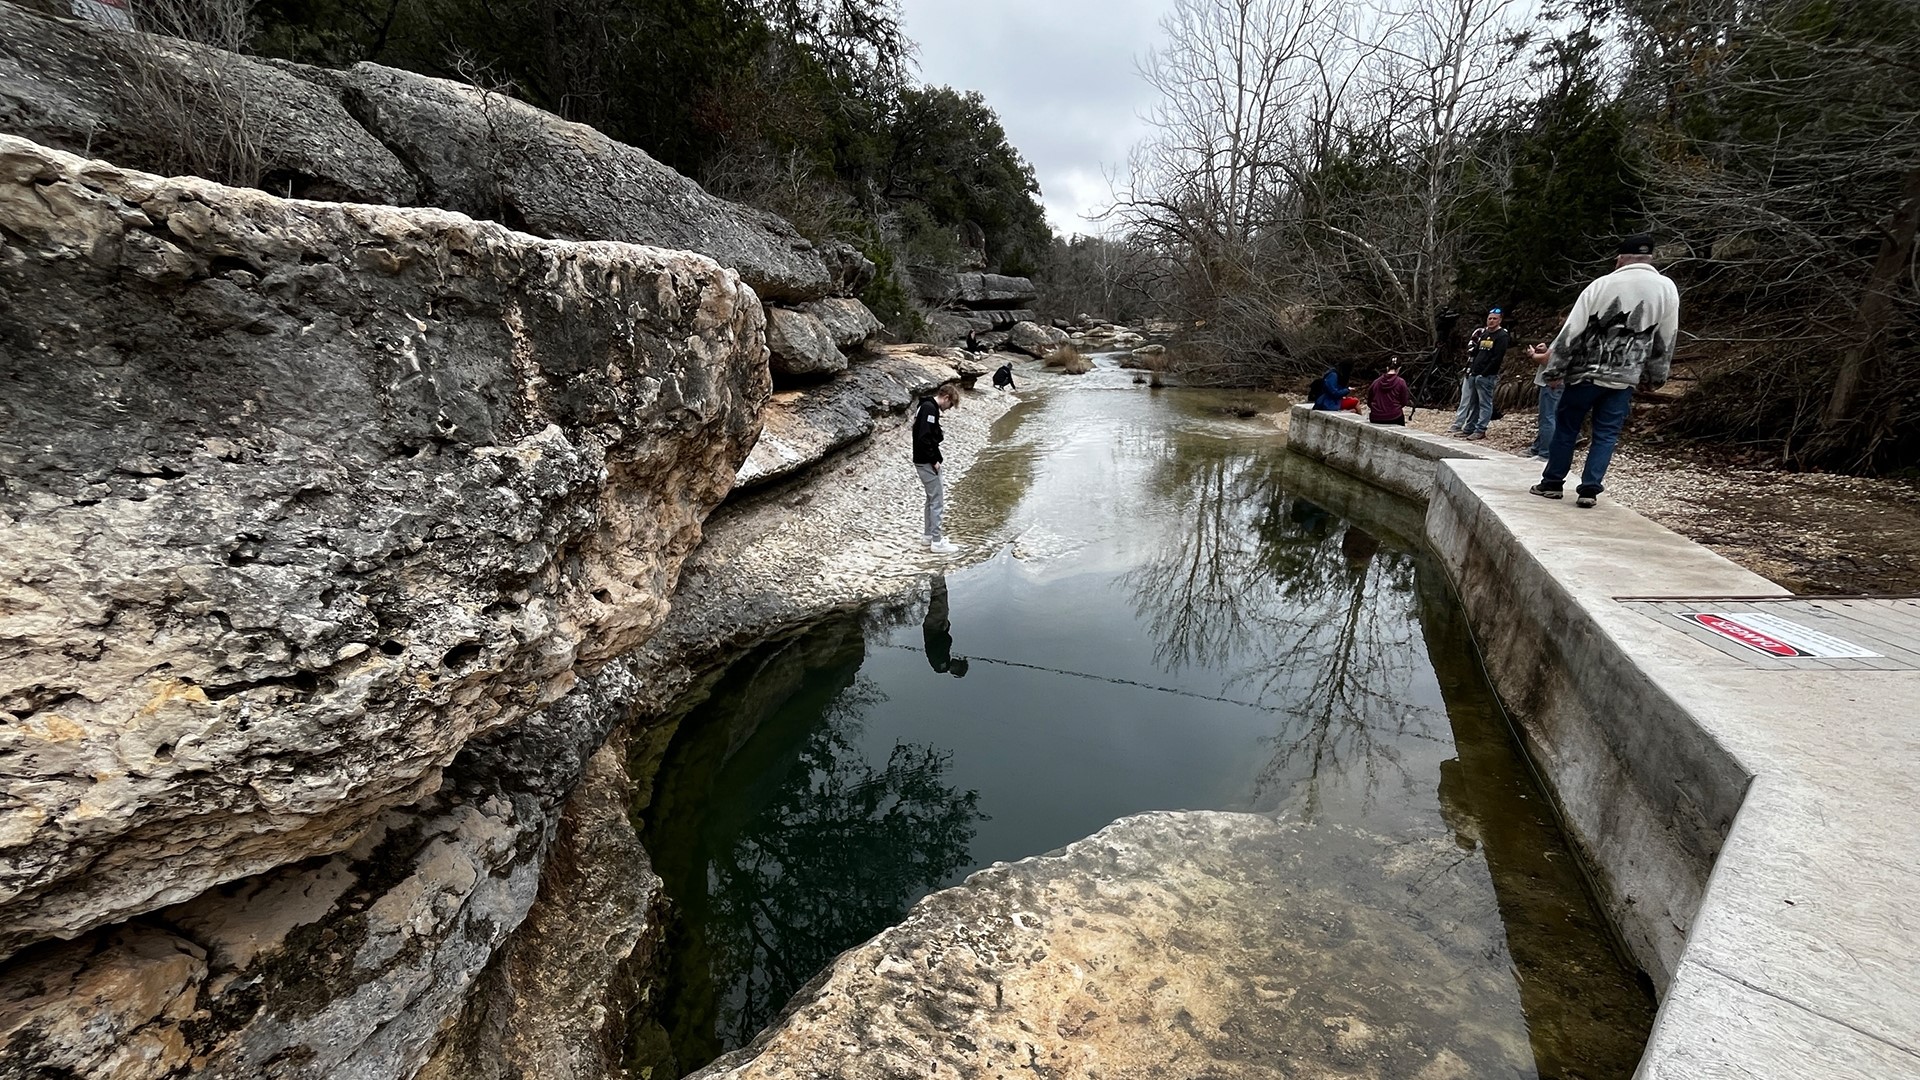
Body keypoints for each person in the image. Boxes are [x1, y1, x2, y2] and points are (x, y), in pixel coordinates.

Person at [1527, 233, 1680, 508]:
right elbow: (1666, 338)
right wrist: (1654, 378)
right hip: (1624, 378)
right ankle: (1589, 490)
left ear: (1620, 258)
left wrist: (1554, 371)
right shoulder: (1666, 288)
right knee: (1606, 434)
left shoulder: (1601, 285)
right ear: (1650, 258)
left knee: (1567, 428)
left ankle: (1552, 483)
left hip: (1586, 374)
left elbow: (1570, 332)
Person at [913, 382, 962, 553]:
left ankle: (928, 537)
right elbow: (924, 438)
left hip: (921, 460)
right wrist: (934, 460)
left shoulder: (926, 406)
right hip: (926, 461)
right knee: (937, 501)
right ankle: (937, 541)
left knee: (931, 499)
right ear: (946, 398)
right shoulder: (929, 409)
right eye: (950, 404)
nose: (948, 409)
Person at [1449, 308, 1509, 440]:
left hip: (1486, 376)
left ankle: (1481, 429)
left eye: (1494, 318)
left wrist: (1485, 373)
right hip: (1474, 373)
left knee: (1485, 403)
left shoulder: (1502, 336)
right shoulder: (1484, 333)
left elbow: (1497, 358)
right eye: (1490, 318)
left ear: (1500, 320)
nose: (1491, 321)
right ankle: (1469, 427)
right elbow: (1475, 351)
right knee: (1473, 403)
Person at [1529, 320, 1566, 459]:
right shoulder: (1576, 338)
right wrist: (1546, 349)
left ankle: (1545, 453)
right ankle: (1537, 448)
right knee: (1550, 417)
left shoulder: (1565, 337)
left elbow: (1546, 360)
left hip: (1551, 382)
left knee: (1548, 418)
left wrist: (1533, 354)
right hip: (1560, 382)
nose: (1560, 321)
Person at [921, 574, 968, 677]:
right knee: (941, 606)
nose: (958, 659)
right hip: (936, 628)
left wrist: (946, 637)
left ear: (956, 668)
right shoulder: (944, 663)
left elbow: (936, 646)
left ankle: (937, 576)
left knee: (940, 603)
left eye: (959, 662)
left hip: (934, 629)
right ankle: (937, 579)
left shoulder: (941, 665)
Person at [1367, 358, 1411, 425]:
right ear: (1399, 369)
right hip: (1394, 417)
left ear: (1387, 368)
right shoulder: (1401, 382)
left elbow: (1369, 400)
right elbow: (1404, 401)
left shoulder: (1376, 382)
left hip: (1376, 417)